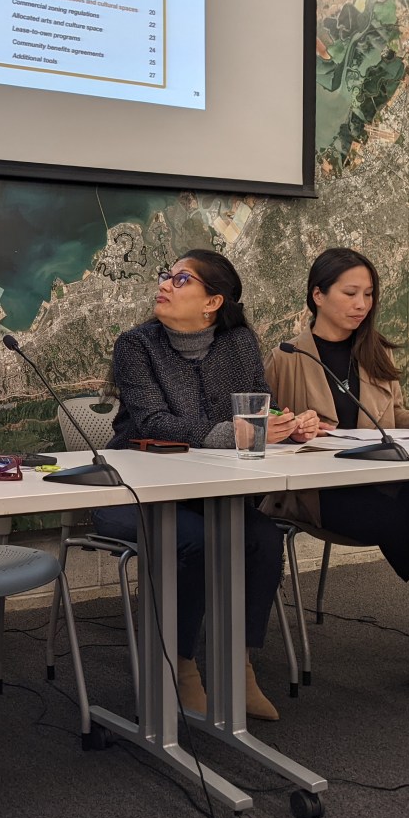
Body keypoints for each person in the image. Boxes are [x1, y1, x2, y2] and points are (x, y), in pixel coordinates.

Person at [90, 250, 321, 720]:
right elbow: (153, 422)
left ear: (212, 301)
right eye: (165, 276)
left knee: (260, 537)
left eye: (181, 279)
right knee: (193, 540)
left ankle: (239, 665)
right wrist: (232, 434)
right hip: (135, 490)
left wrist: (287, 426)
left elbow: (256, 414)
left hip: (209, 491)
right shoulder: (136, 346)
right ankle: (183, 667)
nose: (165, 284)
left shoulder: (238, 343)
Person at [263, 247, 409, 682]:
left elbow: (390, 421)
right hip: (317, 492)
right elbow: (263, 424)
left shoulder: (375, 353)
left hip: (374, 479)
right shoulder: (287, 357)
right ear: (317, 295)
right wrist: (295, 426)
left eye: (369, 294)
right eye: (350, 293)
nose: (362, 304)